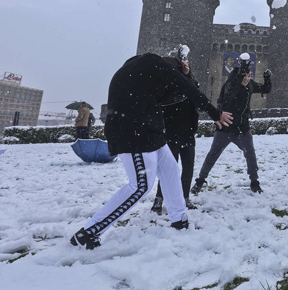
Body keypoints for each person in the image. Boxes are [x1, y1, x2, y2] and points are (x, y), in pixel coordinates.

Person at [69, 53, 232, 250]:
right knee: (140, 185)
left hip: (149, 129)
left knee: (170, 170)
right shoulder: (155, 64)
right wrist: (214, 111)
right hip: (132, 131)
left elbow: (174, 96)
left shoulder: (142, 69)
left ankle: (179, 220)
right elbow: (184, 87)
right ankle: (88, 232)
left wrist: (184, 76)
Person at [191, 54, 272, 195]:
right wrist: (241, 72)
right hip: (226, 128)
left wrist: (267, 79)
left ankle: (254, 182)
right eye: (245, 76)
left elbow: (265, 89)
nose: (247, 79)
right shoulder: (230, 84)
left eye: (249, 75)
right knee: (213, 155)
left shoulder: (250, 84)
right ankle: (200, 181)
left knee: (250, 154)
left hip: (242, 128)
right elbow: (231, 90)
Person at [151, 49, 202, 215]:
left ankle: (185, 198)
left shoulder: (190, 80)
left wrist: (187, 75)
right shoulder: (168, 83)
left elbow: (195, 93)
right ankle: (159, 199)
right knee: (169, 169)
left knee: (188, 168)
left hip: (187, 131)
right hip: (171, 131)